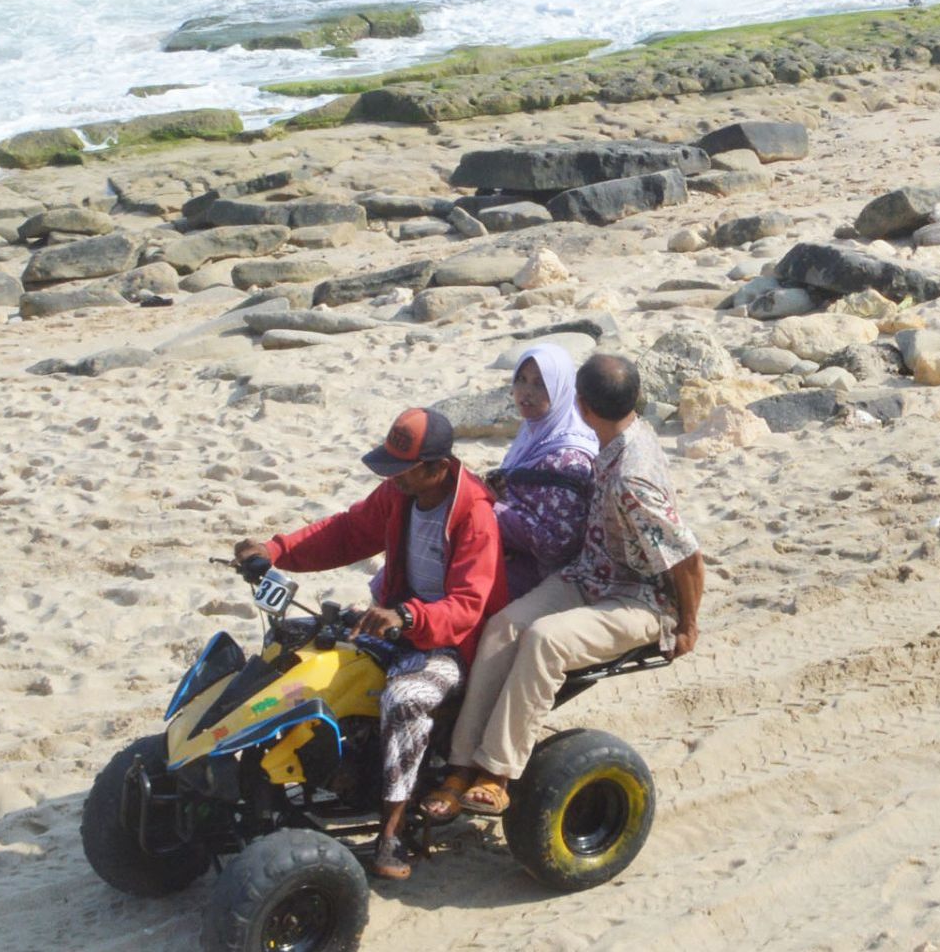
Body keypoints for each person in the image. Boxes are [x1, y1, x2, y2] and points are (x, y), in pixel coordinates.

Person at [426, 355, 702, 824]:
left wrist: (688, 625)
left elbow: (687, 557)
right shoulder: (616, 436)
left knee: (545, 640)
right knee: (504, 626)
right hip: (590, 574)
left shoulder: (631, 475)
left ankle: (496, 772)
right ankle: (459, 765)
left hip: (637, 598)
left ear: (581, 405)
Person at [233, 407, 503, 878]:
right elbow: (348, 531)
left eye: (403, 471)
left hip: (451, 643)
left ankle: (392, 834)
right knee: (304, 658)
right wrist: (275, 550)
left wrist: (407, 616)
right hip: (399, 620)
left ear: (436, 468)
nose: (393, 479)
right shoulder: (399, 495)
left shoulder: (474, 514)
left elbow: (466, 606)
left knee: (404, 698)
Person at [489, 343, 599, 601]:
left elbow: (557, 544)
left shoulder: (569, 456)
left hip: (545, 574)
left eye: (540, 384)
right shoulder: (533, 432)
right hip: (512, 551)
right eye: (522, 380)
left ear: (560, 388)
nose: (526, 392)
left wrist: (492, 513)